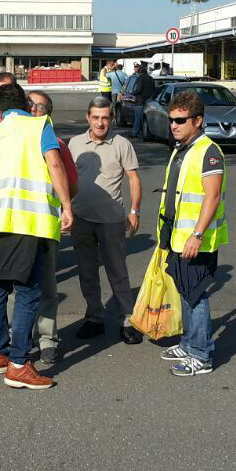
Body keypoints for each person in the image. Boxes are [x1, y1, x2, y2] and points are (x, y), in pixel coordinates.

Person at [0, 82, 73, 389]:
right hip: (29, 223)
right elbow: (54, 163)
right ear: (25, 103)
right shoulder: (40, 126)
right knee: (28, 292)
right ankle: (19, 364)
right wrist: (67, 206)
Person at [157, 89, 227, 376]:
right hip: (177, 234)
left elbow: (212, 197)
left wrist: (196, 235)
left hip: (197, 240)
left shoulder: (209, 152)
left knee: (196, 294)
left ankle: (201, 354)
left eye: (180, 120)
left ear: (198, 120)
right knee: (185, 291)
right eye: (171, 119)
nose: (173, 125)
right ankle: (188, 343)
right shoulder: (182, 148)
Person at [69, 96, 142, 344]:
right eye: (96, 117)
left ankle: (127, 320)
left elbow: (133, 178)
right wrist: (65, 210)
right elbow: (66, 180)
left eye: (105, 118)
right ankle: (94, 316)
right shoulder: (75, 143)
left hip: (111, 220)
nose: (101, 123)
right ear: (88, 118)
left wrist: (134, 211)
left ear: (111, 119)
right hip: (81, 218)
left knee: (117, 271)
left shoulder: (121, 144)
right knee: (87, 271)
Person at [21, 90, 79, 365]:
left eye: (40, 107)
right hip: (16, 224)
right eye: (29, 105)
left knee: (46, 288)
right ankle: (17, 337)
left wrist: (64, 207)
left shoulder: (55, 143)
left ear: (48, 113)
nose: (33, 110)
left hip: (45, 224)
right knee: (15, 288)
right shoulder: (13, 141)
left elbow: (71, 182)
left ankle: (46, 340)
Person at [128, 62, 156, 139]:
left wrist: (133, 93)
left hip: (140, 100)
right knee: (146, 118)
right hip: (149, 100)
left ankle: (134, 133)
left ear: (140, 72)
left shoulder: (140, 78)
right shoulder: (151, 78)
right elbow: (154, 89)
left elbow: (138, 89)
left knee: (138, 117)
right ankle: (145, 132)